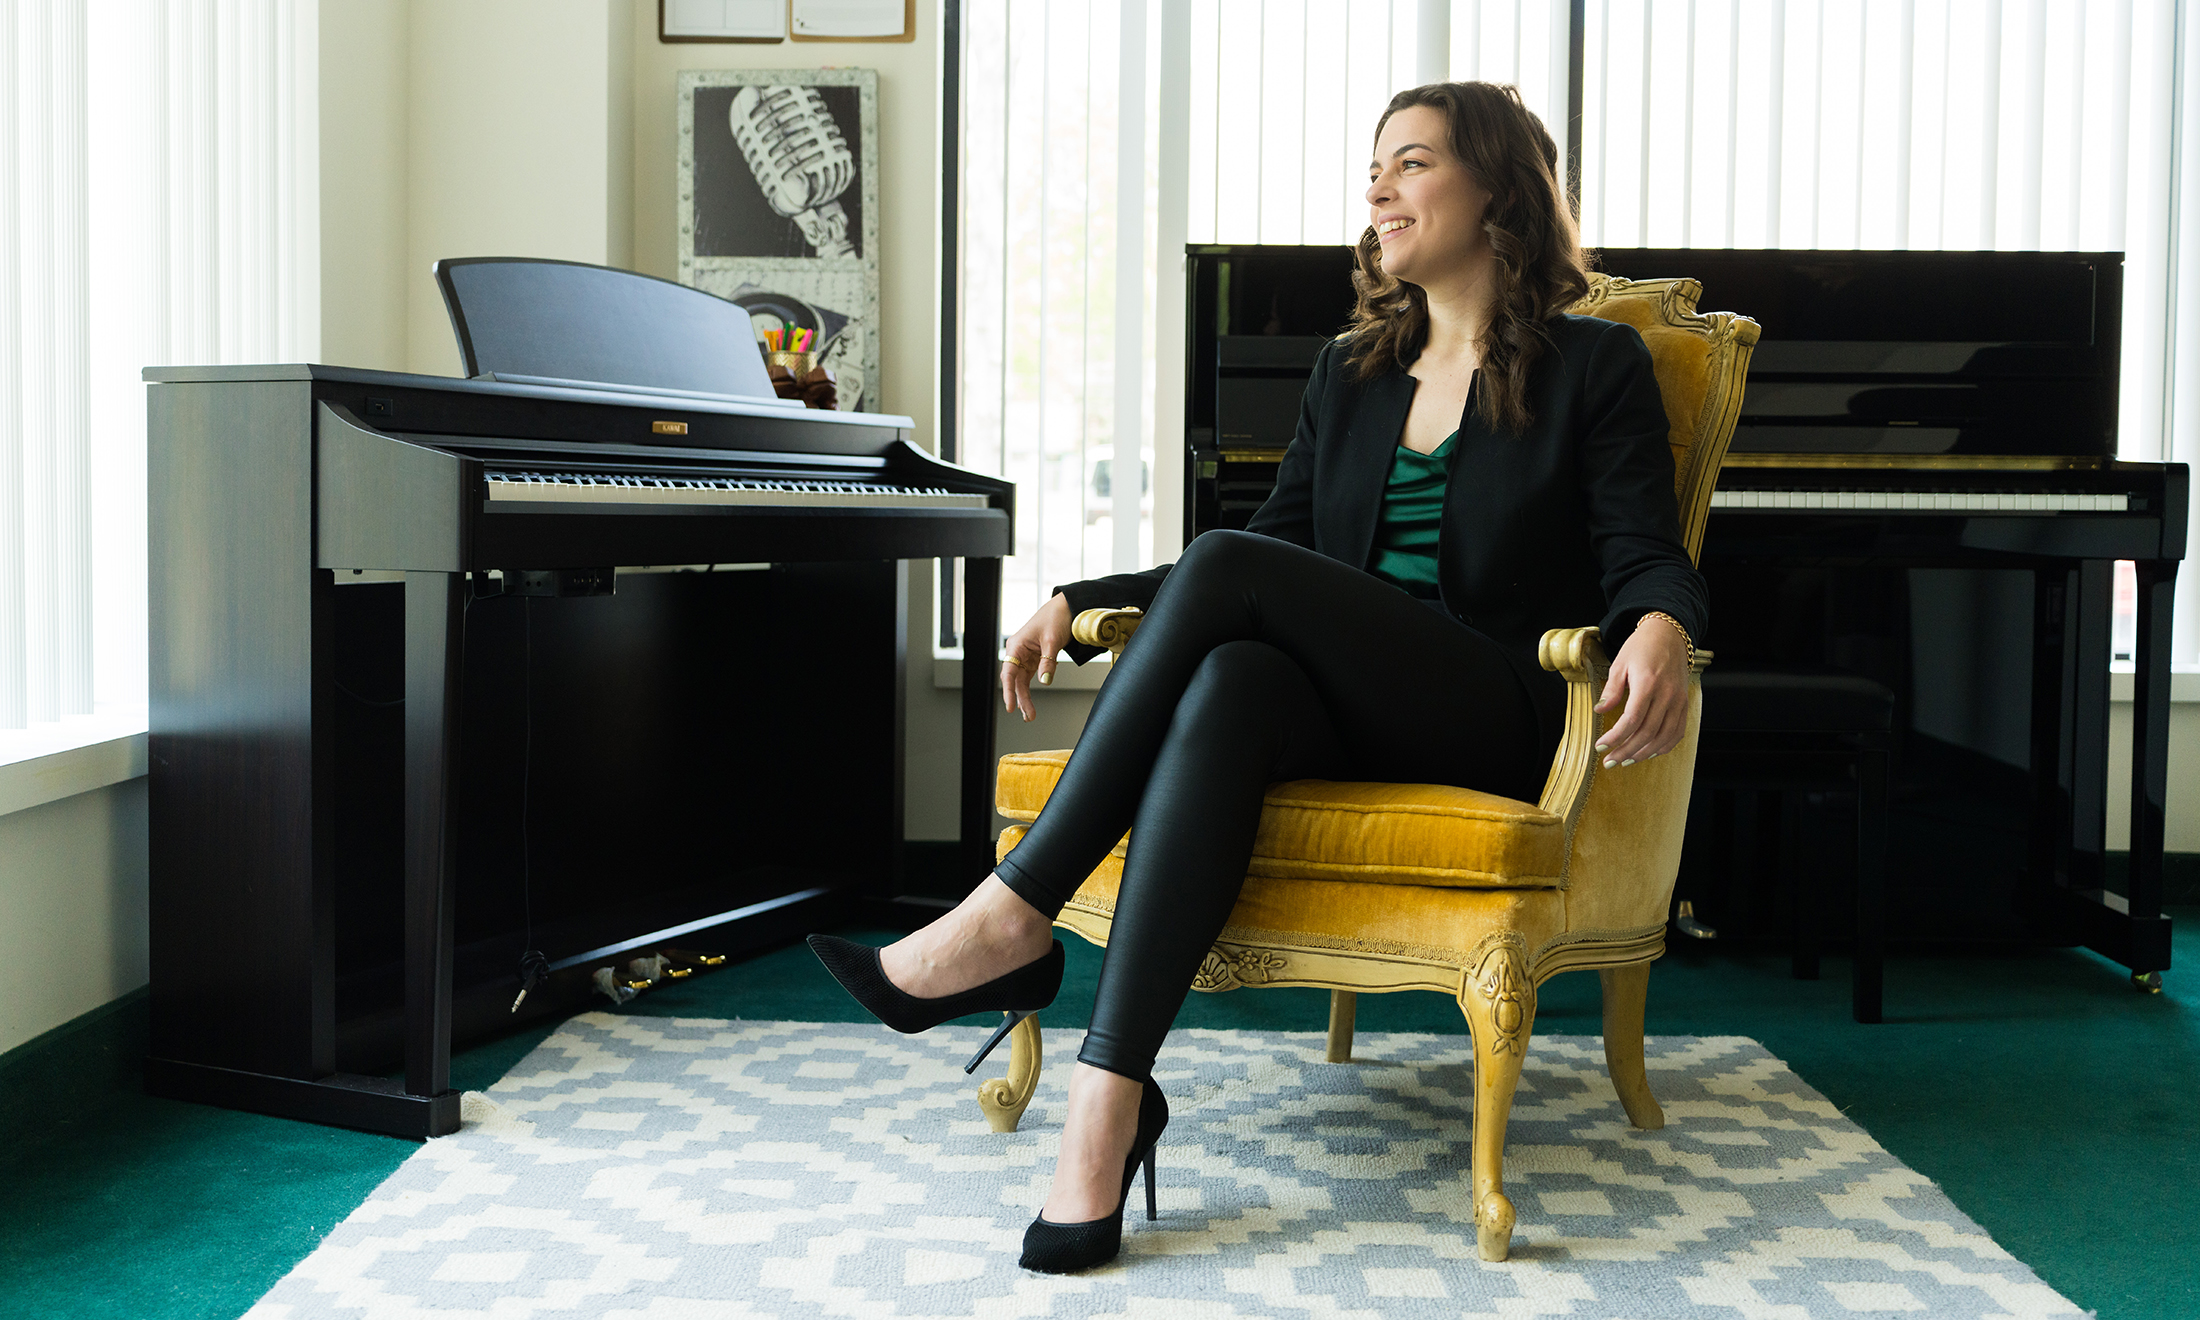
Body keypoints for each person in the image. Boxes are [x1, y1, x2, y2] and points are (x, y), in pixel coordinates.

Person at [808, 79, 1706, 1274]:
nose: (1377, 187)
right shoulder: (1354, 372)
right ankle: (1107, 1106)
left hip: (1493, 707)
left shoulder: (1594, 366)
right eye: (1375, 165)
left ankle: (1010, 912)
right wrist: (1088, 596)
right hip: (1353, 708)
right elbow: (1259, 555)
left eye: (1413, 163)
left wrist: (1658, 621)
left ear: (1496, 190)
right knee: (1232, 673)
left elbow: (1648, 549)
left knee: (1237, 586)